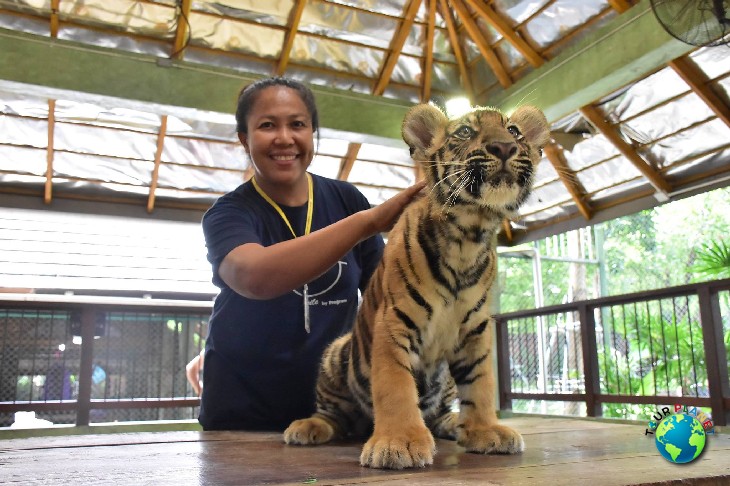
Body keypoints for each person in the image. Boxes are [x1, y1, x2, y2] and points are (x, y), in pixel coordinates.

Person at [198, 76, 424, 431]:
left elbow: (387, 296)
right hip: (243, 410)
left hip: (336, 411)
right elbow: (253, 277)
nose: (285, 138)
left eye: (298, 125)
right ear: (245, 139)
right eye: (267, 125)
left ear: (312, 133)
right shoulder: (229, 213)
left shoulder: (347, 200)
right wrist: (369, 222)